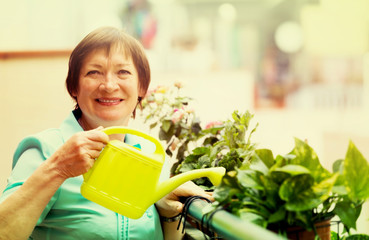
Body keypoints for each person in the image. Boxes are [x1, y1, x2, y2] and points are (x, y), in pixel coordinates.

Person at [0, 26, 212, 240]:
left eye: (123, 72)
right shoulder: (46, 149)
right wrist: (58, 168)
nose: (109, 85)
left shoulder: (150, 154)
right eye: (94, 72)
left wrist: (167, 213)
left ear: (141, 87)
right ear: (74, 87)